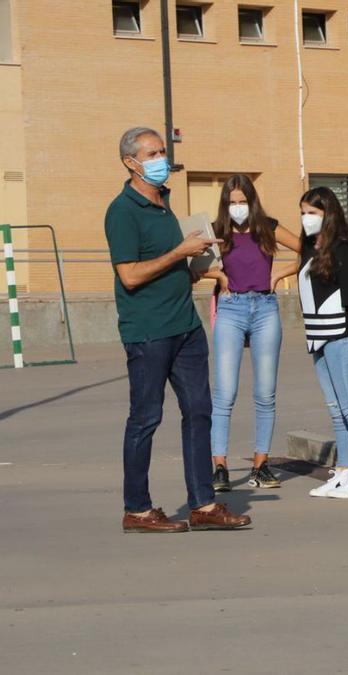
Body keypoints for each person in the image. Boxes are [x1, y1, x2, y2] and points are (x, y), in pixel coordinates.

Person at [105, 126, 250, 533]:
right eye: (151, 154)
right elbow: (130, 276)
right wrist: (179, 252)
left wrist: (198, 268)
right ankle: (136, 509)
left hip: (185, 326)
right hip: (148, 331)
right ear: (130, 163)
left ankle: (203, 504)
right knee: (146, 418)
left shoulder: (165, 201)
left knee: (199, 411)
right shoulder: (122, 212)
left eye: (162, 151)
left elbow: (170, 268)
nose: (160, 160)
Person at [205, 174, 302, 492]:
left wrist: (279, 274)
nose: (237, 208)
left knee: (265, 393)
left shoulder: (268, 227)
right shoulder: (216, 232)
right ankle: (219, 466)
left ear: (251, 200)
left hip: (265, 309)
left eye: (242, 202)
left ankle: (261, 465)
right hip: (231, 310)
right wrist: (218, 275)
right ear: (225, 204)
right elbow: (194, 266)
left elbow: (307, 250)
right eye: (231, 203)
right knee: (224, 393)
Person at [298, 187, 348, 500]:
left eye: (313, 213)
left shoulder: (342, 249)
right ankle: (345, 471)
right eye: (304, 212)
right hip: (317, 340)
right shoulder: (310, 249)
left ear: (328, 214)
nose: (307, 218)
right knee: (335, 409)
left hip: (341, 338)